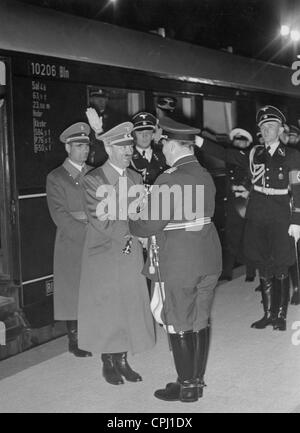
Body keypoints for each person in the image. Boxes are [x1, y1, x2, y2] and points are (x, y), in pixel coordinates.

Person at [129, 116, 222, 403]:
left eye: (164, 143)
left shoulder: (168, 178)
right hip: (208, 257)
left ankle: (187, 386)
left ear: (173, 145)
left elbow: (149, 226)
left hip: (180, 262)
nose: (162, 148)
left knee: (179, 322)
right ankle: (195, 381)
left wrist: (135, 217)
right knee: (199, 319)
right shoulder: (205, 173)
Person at [196, 105, 300, 331]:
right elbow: (225, 153)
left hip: (281, 214)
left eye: (272, 126)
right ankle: (268, 313)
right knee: (263, 263)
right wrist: (198, 142)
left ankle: (280, 315)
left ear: (280, 129)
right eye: (264, 127)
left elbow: (298, 188)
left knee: (280, 263)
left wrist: (297, 220)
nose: (268, 131)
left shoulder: (292, 155)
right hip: (257, 215)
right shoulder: (254, 154)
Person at [77, 117, 155, 386]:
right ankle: (108, 361)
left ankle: (122, 359)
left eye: (130, 147)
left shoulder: (134, 176)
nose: (128, 152)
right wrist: (134, 230)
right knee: (108, 308)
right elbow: (102, 220)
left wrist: (146, 228)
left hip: (129, 251)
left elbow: (141, 212)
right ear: (109, 148)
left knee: (128, 306)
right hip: (104, 252)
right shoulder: (93, 180)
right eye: (123, 147)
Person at [46, 122, 93, 357]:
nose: (84, 151)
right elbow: (60, 215)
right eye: (78, 146)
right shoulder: (56, 177)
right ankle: (75, 340)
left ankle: (94, 332)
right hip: (72, 241)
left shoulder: (95, 174)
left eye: (86, 146)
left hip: (95, 238)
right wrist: (89, 234)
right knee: (73, 289)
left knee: (93, 288)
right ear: (67, 148)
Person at [219, 128, 256, 282]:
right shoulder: (230, 161)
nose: (239, 143)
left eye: (242, 141)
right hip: (233, 205)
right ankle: (227, 271)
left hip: (248, 204)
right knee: (231, 239)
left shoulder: (252, 159)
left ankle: (250, 271)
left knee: (250, 239)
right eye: (237, 141)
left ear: (248, 143)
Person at [130, 111, 167, 186]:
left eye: (148, 133)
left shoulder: (163, 155)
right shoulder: (127, 155)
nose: (144, 136)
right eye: (140, 133)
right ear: (133, 135)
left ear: (153, 135)